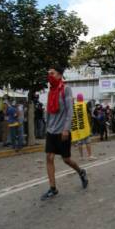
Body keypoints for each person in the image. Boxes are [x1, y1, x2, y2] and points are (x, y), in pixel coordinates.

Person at [41, 68, 88, 200]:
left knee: (66, 159)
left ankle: (81, 172)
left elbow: (69, 110)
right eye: (48, 73)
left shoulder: (66, 89)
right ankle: (53, 188)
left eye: (52, 73)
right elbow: (48, 111)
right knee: (49, 158)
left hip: (63, 131)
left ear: (60, 75)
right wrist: (47, 128)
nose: (50, 75)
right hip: (51, 130)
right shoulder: (51, 91)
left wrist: (66, 129)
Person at [75, 94, 95, 161]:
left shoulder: (74, 106)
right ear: (82, 99)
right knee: (88, 142)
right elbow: (90, 114)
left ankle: (81, 157)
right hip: (85, 127)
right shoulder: (85, 105)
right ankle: (90, 156)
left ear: (77, 99)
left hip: (78, 127)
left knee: (79, 143)